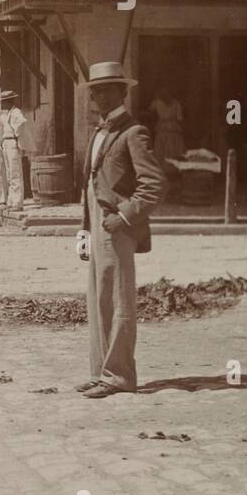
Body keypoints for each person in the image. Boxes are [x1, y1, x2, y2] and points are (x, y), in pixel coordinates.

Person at [77, 62, 164, 399]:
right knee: (98, 299)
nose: (95, 95)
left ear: (120, 92)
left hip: (117, 227)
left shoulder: (133, 132)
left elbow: (153, 185)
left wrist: (125, 216)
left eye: (103, 89)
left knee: (118, 300)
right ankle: (101, 372)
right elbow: (91, 185)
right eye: (94, 90)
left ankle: (120, 375)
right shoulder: (101, 131)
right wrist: (84, 230)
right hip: (97, 225)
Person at [0, 90, 27, 211]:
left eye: (4, 102)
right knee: (9, 174)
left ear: (10, 101)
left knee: (15, 173)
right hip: (6, 143)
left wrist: (17, 135)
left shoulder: (16, 112)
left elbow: (21, 124)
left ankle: (17, 203)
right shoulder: (6, 114)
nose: (2, 104)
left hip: (12, 142)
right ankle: (11, 200)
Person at [145, 86, 185, 172]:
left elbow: (149, 112)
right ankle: (173, 169)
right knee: (173, 148)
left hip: (162, 127)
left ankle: (164, 170)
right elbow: (180, 118)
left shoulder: (156, 102)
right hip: (173, 128)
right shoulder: (176, 103)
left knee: (162, 148)